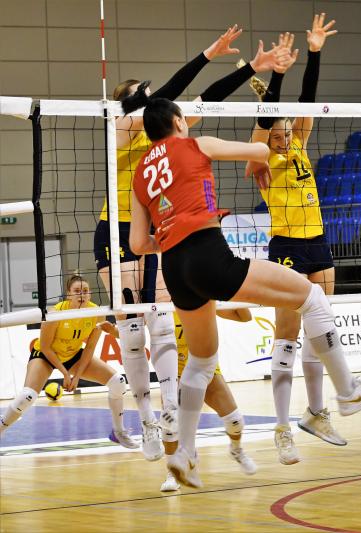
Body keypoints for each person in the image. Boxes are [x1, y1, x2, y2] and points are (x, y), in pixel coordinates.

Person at [128, 96, 361, 489]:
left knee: (200, 362)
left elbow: (137, 244)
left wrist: (169, 234)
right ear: (179, 122)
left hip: (173, 266)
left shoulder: (139, 174)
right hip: (206, 252)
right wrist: (264, 140)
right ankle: (348, 391)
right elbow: (260, 150)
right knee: (312, 298)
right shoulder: (196, 144)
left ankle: (183, 452)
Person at [95, 26, 263, 461]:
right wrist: (205, 54)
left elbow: (205, 100)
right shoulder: (120, 124)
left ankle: (170, 409)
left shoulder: (162, 128)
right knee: (131, 328)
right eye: (145, 95)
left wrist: (250, 69)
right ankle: (146, 419)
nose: (155, 99)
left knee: (162, 323)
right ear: (132, 102)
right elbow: (166, 96)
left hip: (159, 231)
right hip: (116, 230)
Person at [241, 15, 345, 467]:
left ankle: (316, 413)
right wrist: (274, 78)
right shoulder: (261, 161)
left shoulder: (298, 144)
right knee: (287, 335)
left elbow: (308, 101)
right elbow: (267, 116)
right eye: (277, 132)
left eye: (287, 131)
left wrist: (315, 53)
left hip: (318, 242)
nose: (284, 136)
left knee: (321, 329)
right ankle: (282, 428)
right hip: (285, 246)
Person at [100, 307, 260, 492]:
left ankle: (236, 450)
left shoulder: (201, 300)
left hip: (203, 368)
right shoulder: (159, 306)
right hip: (174, 373)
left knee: (235, 421)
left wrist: (230, 294)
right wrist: (113, 331)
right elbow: (133, 332)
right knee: (170, 424)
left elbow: (245, 317)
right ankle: (172, 472)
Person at [0, 275, 133, 449]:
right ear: (68, 294)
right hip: (45, 356)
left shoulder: (96, 313)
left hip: (72, 355)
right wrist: (65, 373)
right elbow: (46, 347)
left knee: (118, 382)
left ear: (90, 294)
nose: (81, 295)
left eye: (85, 291)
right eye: (77, 291)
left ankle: (118, 431)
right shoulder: (55, 313)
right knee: (27, 396)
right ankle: (1, 428)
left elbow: (90, 348)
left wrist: (77, 376)